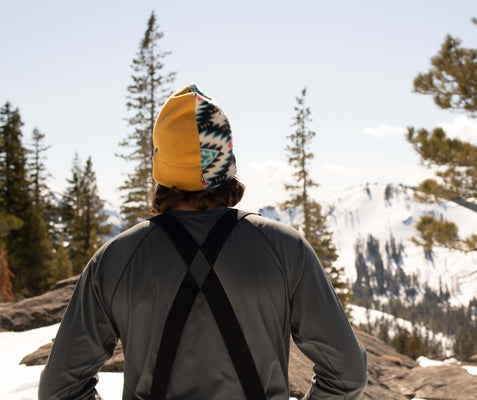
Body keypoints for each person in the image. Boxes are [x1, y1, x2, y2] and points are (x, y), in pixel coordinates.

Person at [38, 83, 368, 400]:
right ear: (226, 164)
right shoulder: (285, 248)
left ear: (162, 168)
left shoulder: (116, 259)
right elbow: (347, 373)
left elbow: (59, 390)